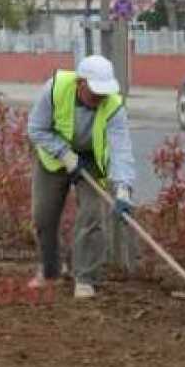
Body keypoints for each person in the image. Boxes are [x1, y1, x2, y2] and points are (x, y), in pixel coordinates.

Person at [27, 55, 136, 298]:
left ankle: (86, 277)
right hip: (54, 157)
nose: (100, 99)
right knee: (43, 216)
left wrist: (123, 187)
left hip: (91, 161)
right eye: (95, 92)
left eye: (103, 93)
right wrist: (65, 155)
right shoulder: (55, 89)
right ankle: (51, 270)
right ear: (80, 83)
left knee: (91, 216)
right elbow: (36, 128)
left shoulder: (114, 105)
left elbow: (121, 148)